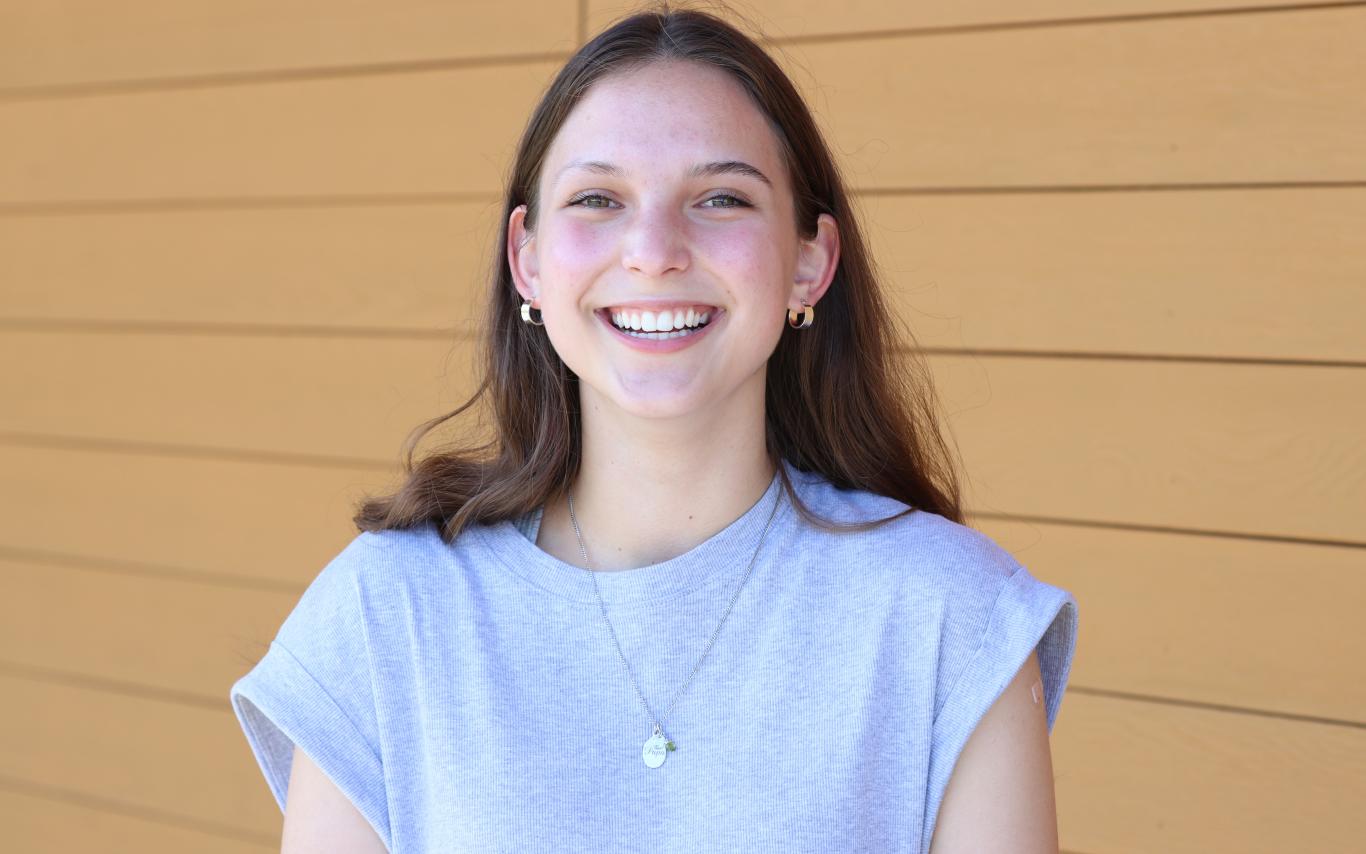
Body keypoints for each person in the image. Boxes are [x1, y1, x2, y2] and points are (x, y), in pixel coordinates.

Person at [229, 4, 1079, 852]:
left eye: (721, 197)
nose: (654, 248)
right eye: (598, 198)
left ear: (810, 260)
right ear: (526, 258)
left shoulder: (951, 616)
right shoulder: (387, 617)